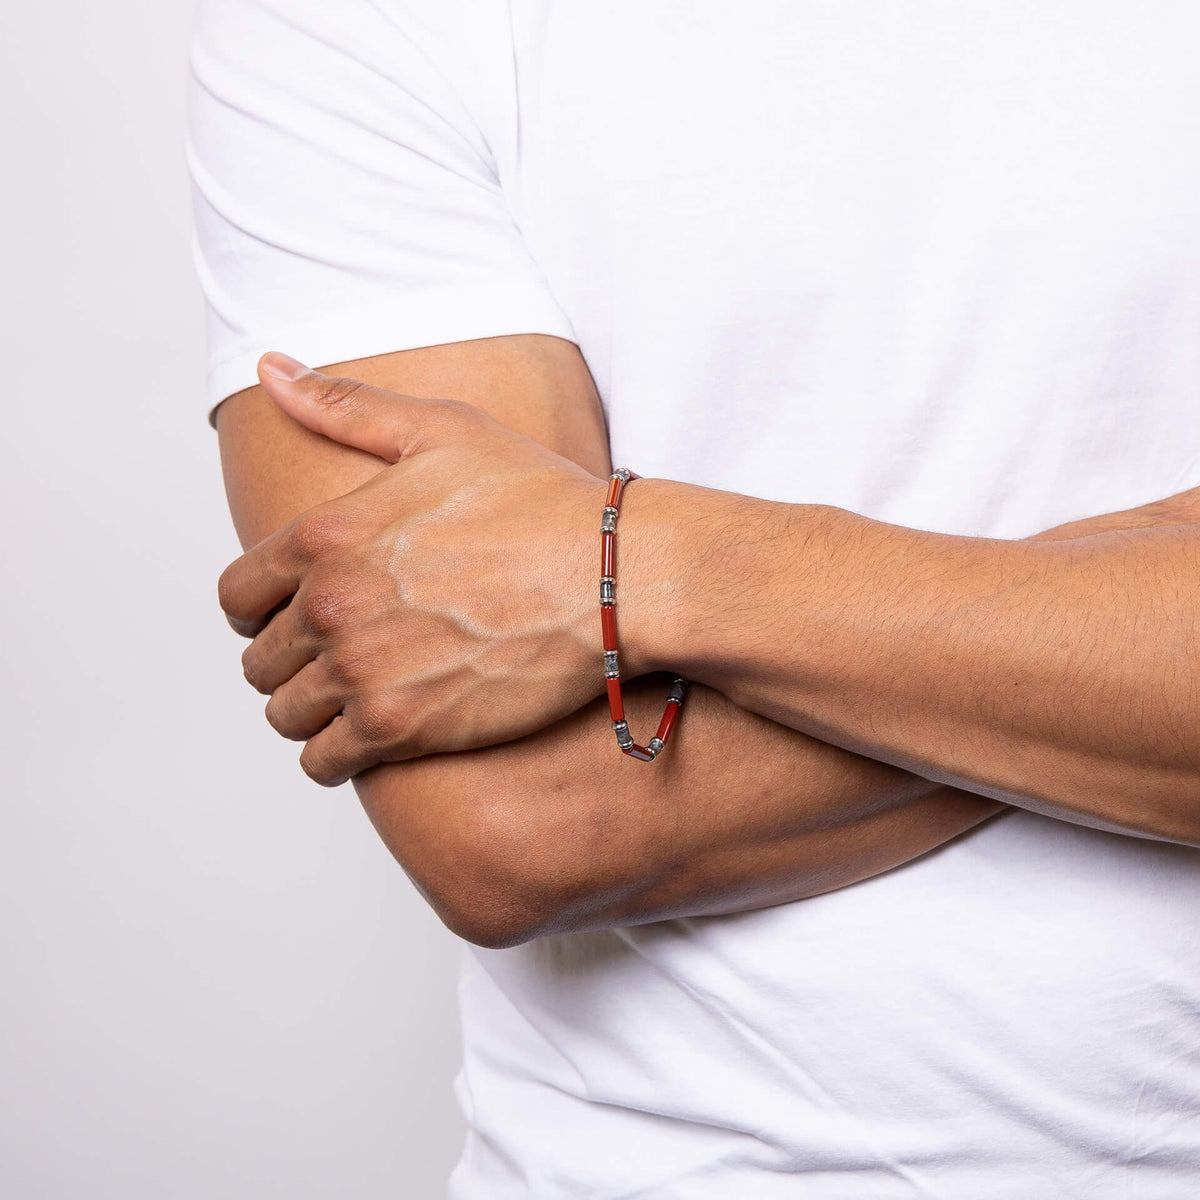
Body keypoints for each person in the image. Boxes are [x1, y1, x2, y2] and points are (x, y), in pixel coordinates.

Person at [189, 1, 1200, 1194]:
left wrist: (645, 562)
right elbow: (522, 820)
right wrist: (1132, 635)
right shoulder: (358, 24)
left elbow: (587, 668)